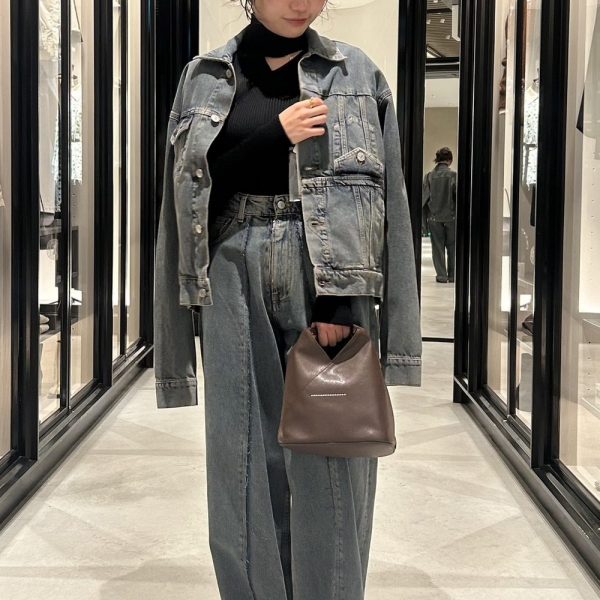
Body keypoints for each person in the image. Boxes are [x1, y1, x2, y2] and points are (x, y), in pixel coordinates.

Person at [154, 1, 422, 598]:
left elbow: (388, 201)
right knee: (241, 459)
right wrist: (275, 136)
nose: (302, 3)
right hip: (232, 268)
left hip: (324, 275)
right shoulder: (204, 77)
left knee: (332, 456)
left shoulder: (357, 73)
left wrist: (341, 302)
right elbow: (187, 198)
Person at [422, 146, 457, 283]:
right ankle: (452, 275)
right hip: (451, 217)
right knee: (452, 247)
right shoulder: (453, 176)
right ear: (450, 160)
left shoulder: (429, 176)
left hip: (434, 218)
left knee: (437, 248)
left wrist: (423, 223)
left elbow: (424, 199)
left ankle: (441, 275)